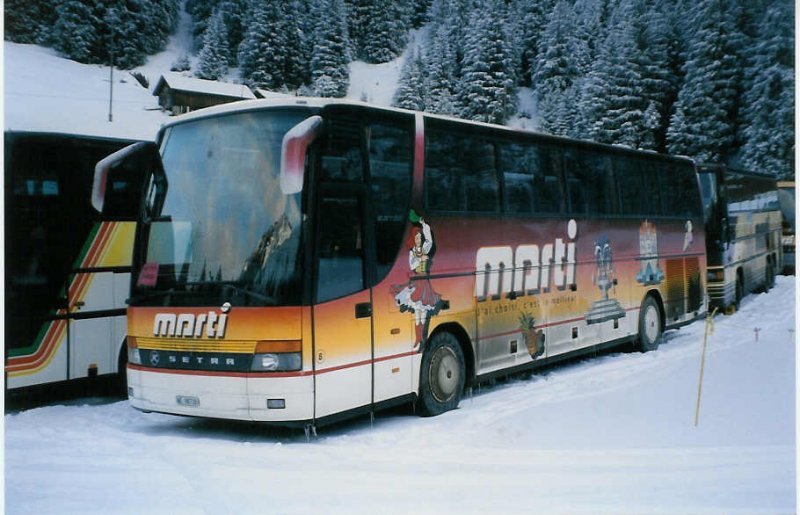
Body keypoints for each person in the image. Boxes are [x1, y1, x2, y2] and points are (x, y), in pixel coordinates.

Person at [393, 217, 441, 349]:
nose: (419, 240)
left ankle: (423, 340)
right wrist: (421, 258)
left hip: (424, 281)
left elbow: (430, 241)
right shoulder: (412, 253)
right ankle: (418, 339)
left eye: (420, 238)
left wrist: (424, 225)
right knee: (417, 314)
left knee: (424, 311)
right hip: (417, 281)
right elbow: (412, 265)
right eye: (417, 238)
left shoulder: (425, 248)